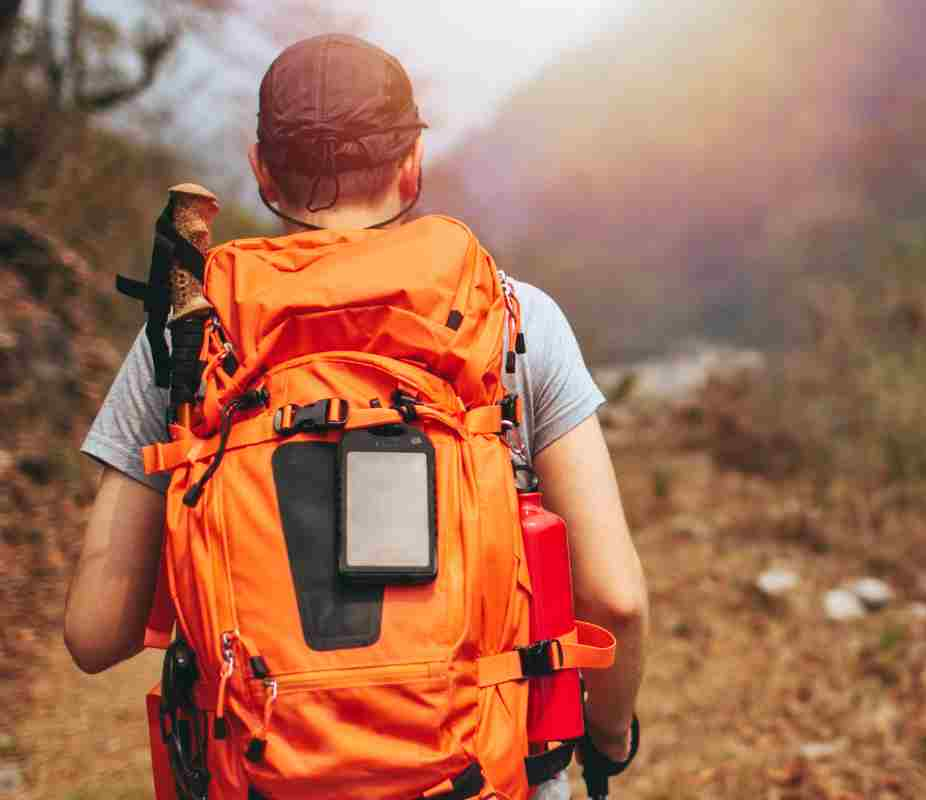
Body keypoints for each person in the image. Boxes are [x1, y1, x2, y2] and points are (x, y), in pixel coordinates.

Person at [64, 33, 647, 800]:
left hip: (266, 777)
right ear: (412, 166)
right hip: (478, 776)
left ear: (261, 169)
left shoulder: (191, 339)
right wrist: (607, 740)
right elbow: (615, 598)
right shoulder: (509, 318)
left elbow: (95, 632)